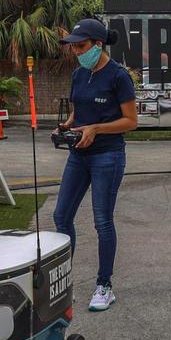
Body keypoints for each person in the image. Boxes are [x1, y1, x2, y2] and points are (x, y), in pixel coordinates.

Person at [53, 17, 138, 312]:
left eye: (81, 46)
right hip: (78, 154)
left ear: (98, 44)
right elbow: (79, 111)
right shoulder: (79, 74)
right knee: (61, 216)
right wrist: (67, 125)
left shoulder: (118, 76)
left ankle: (104, 285)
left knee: (102, 221)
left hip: (107, 156)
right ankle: (63, 282)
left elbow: (131, 121)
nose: (76, 51)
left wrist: (96, 129)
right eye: (73, 47)